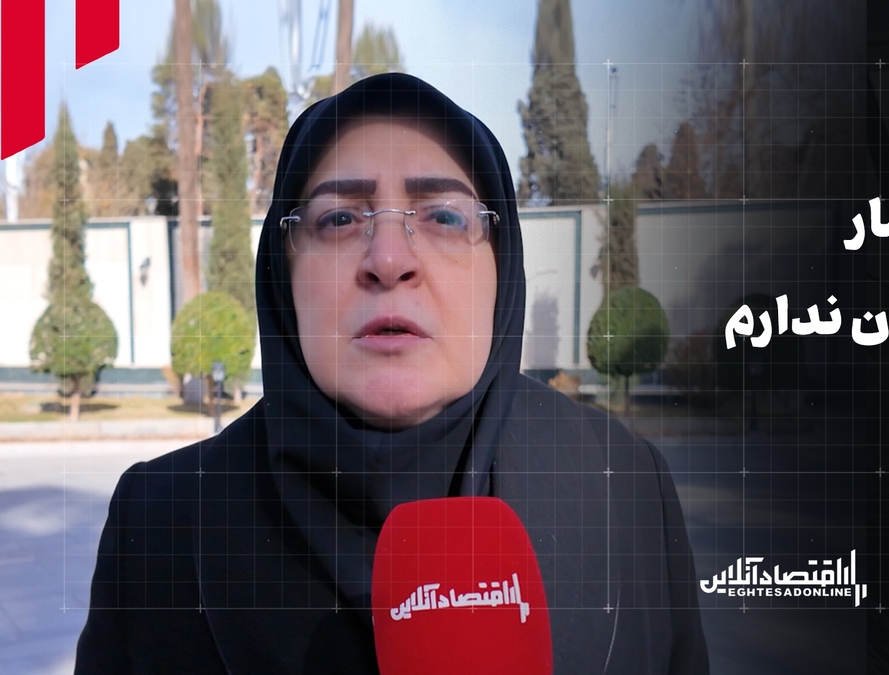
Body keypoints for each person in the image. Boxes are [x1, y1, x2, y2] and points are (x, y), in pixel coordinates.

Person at [75, 73, 708, 674]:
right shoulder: (161, 519)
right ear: (282, 274)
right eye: (340, 218)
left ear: (502, 267)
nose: (388, 258)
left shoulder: (624, 484)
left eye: (444, 216)